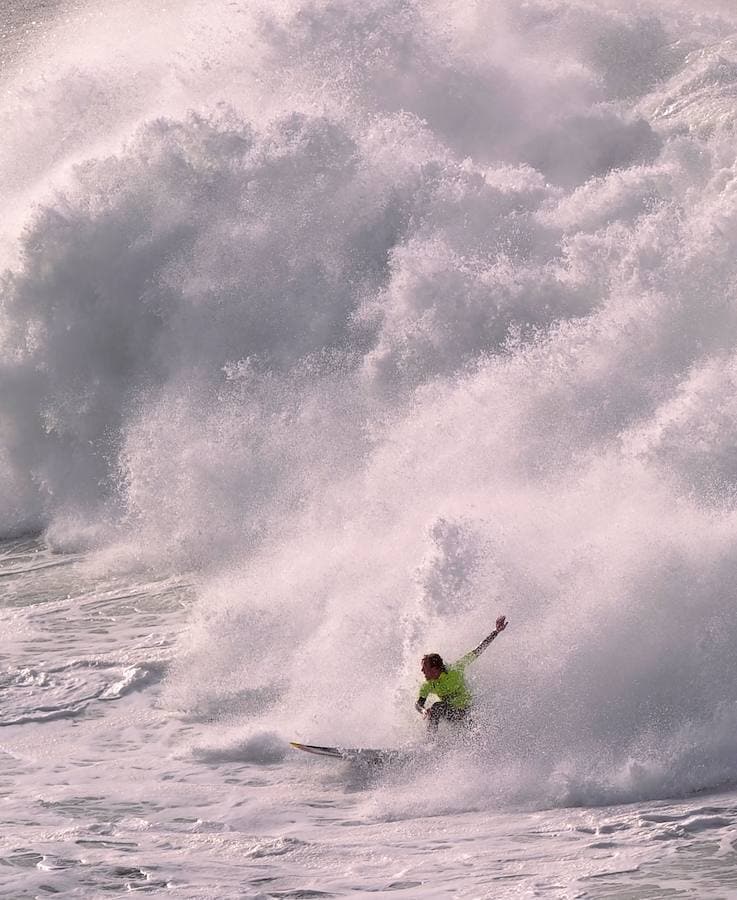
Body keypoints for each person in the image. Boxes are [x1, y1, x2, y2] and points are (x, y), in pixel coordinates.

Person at [415, 615, 508, 733]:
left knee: (440, 708)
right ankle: (430, 743)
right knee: (436, 708)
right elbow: (418, 704)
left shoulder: (455, 670)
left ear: (435, 669)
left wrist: (496, 632)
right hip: (450, 714)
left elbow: (478, 650)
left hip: (465, 712)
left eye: (425, 668)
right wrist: (423, 711)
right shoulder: (427, 685)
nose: (422, 671)